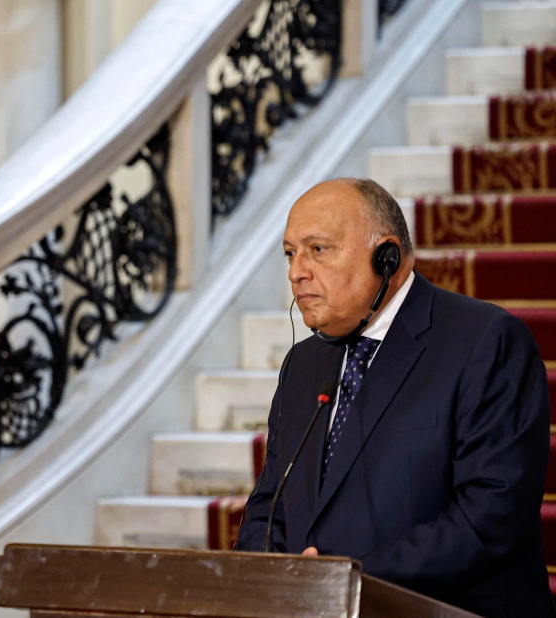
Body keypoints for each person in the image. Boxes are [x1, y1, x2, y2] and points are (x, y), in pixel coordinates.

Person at [236, 179, 553, 616]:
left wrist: (346, 579)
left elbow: (490, 519)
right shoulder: (303, 365)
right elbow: (267, 507)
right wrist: (272, 579)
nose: (296, 271)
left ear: (386, 257)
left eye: (318, 250)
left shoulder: (484, 342)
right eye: (291, 253)